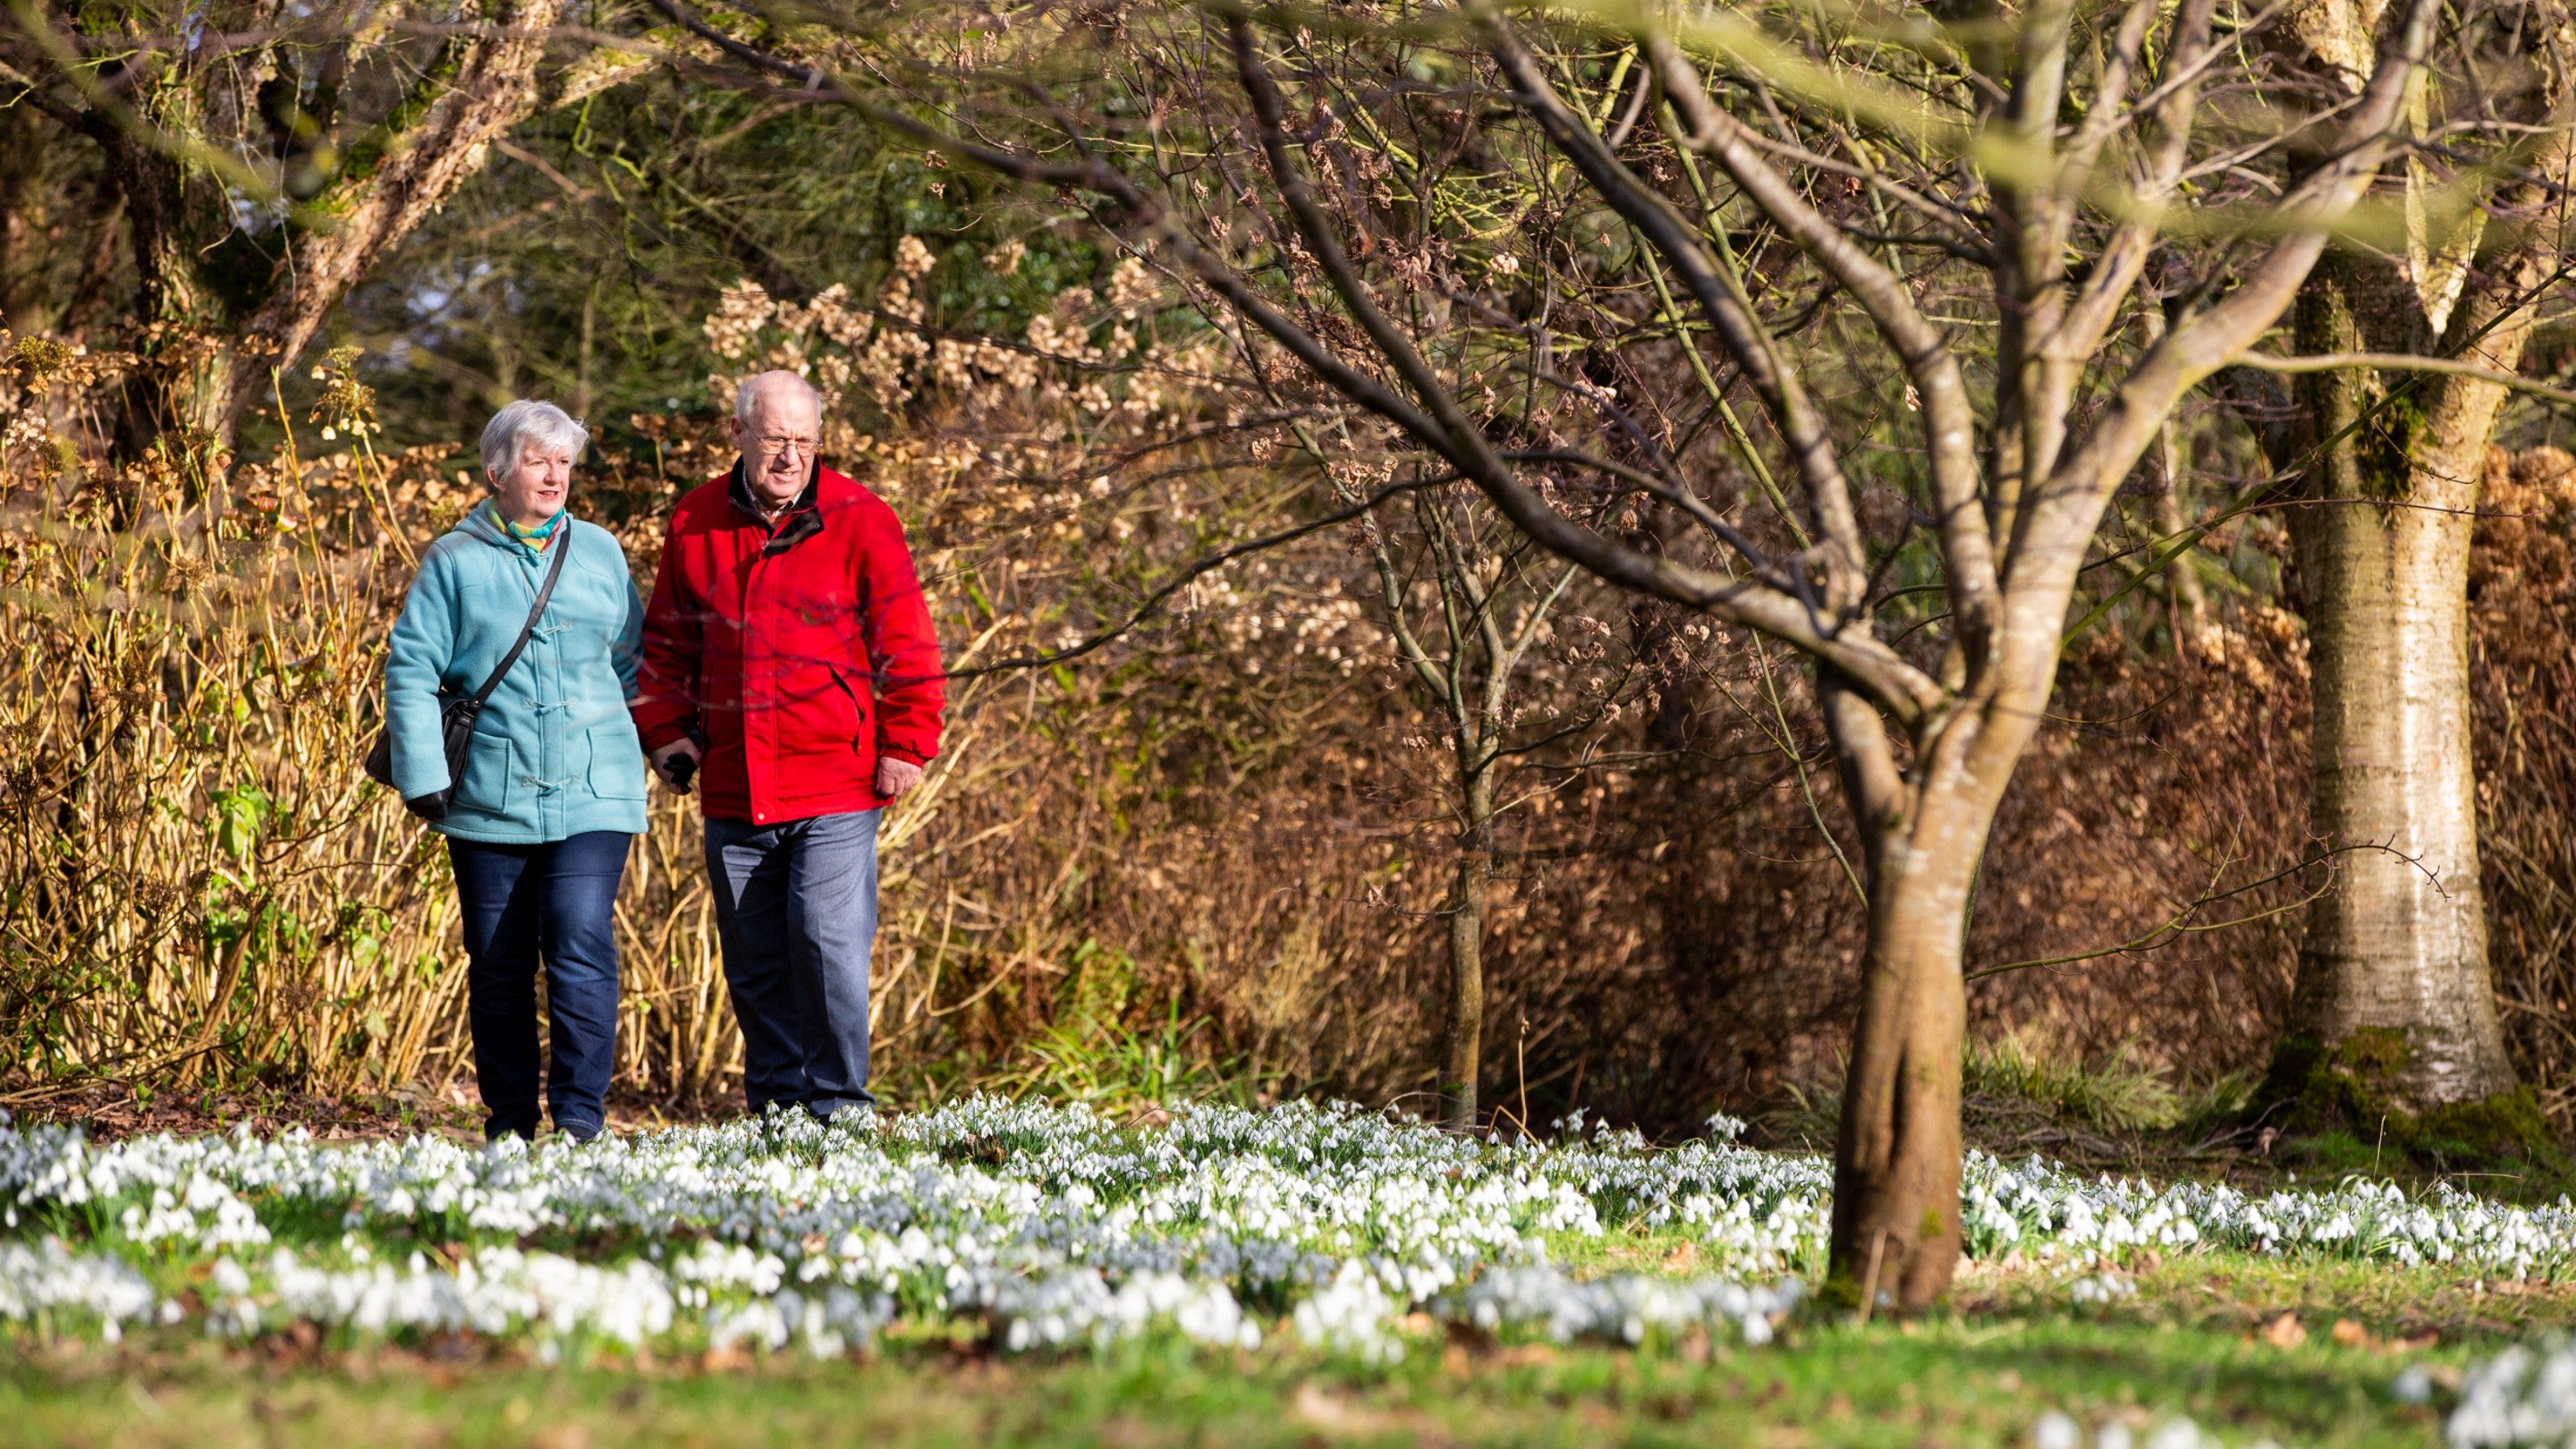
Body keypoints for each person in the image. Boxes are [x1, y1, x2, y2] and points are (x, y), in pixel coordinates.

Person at [632, 370, 945, 1123]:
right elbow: (667, 643)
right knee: (756, 961)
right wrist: (668, 731)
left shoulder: (861, 518)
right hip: (736, 782)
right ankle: (777, 1110)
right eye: (775, 439)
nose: (790, 456)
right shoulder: (696, 520)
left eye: (804, 442)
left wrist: (907, 739)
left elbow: (906, 641)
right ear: (737, 435)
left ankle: (840, 1107)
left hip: (835, 777)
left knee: (825, 940)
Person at [384, 400, 648, 1143]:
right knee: (499, 964)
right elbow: (410, 669)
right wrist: (423, 774)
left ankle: (579, 1123)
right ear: (498, 472)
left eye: (564, 462)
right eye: (539, 461)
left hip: (596, 792)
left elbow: (633, 663)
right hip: (487, 798)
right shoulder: (453, 560)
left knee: (579, 939)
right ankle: (508, 1125)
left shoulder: (600, 551)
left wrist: (670, 741)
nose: (554, 475)